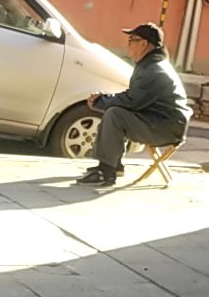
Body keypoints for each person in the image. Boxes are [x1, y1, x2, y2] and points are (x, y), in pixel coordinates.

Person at [79, 23, 191, 187]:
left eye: (132, 40)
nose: (128, 44)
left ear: (144, 44)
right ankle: (114, 165)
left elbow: (132, 101)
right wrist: (104, 99)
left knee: (115, 114)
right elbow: (135, 97)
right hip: (161, 122)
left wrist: (100, 101)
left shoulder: (154, 69)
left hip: (165, 127)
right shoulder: (152, 64)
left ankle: (106, 171)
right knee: (117, 112)